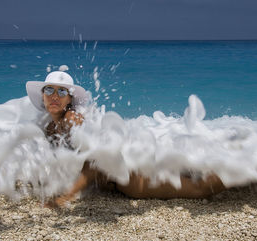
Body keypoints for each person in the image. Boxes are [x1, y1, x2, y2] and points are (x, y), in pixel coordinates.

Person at [26, 71, 226, 208]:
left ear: (69, 99)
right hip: (124, 175)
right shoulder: (51, 127)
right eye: (49, 90)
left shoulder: (72, 120)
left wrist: (64, 198)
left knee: (201, 189)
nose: (55, 96)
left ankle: (249, 171)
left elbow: (97, 161)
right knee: (195, 174)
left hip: (132, 179)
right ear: (42, 95)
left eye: (62, 91)